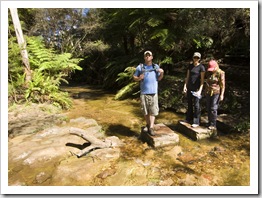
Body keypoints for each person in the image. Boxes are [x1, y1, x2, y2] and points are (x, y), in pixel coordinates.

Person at [133, 50, 164, 136]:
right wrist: (139, 78)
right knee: (145, 111)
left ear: (152, 57)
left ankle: (151, 127)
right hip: (144, 92)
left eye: (149, 55)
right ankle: (147, 124)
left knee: (153, 111)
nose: (147, 57)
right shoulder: (140, 67)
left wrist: (162, 73)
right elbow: (134, 77)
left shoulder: (155, 66)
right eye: (146, 56)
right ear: (144, 57)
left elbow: (159, 78)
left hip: (153, 92)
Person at [183, 52, 205, 128]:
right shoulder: (190, 66)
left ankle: (196, 121)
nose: (196, 59)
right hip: (189, 87)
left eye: (197, 58)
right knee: (189, 104)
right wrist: (185, 86)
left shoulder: (201, 67)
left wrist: (200, 90)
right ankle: (188, 119)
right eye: (195, 57)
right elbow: (187, 77)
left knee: (196, 105)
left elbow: (202, 80)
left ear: (199, 59)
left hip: (197, 89)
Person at [205, 60, 225, 134]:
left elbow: (223, 85)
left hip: (216, 92)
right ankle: (209, 122)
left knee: (213, 108)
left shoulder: (221, 73)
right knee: (208, 107)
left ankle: (213, 124)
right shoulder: (209, 72)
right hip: (208, 92)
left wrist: (222, 94)